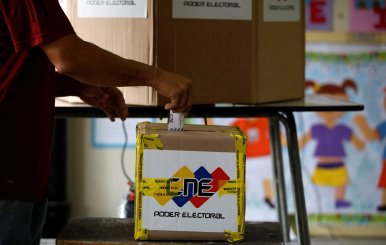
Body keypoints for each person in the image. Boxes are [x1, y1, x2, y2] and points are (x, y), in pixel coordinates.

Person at [0, 1, 192, 244]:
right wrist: (157, 77)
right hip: (8, 175)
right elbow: (69, 57)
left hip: (18, 176)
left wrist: (77, 86)